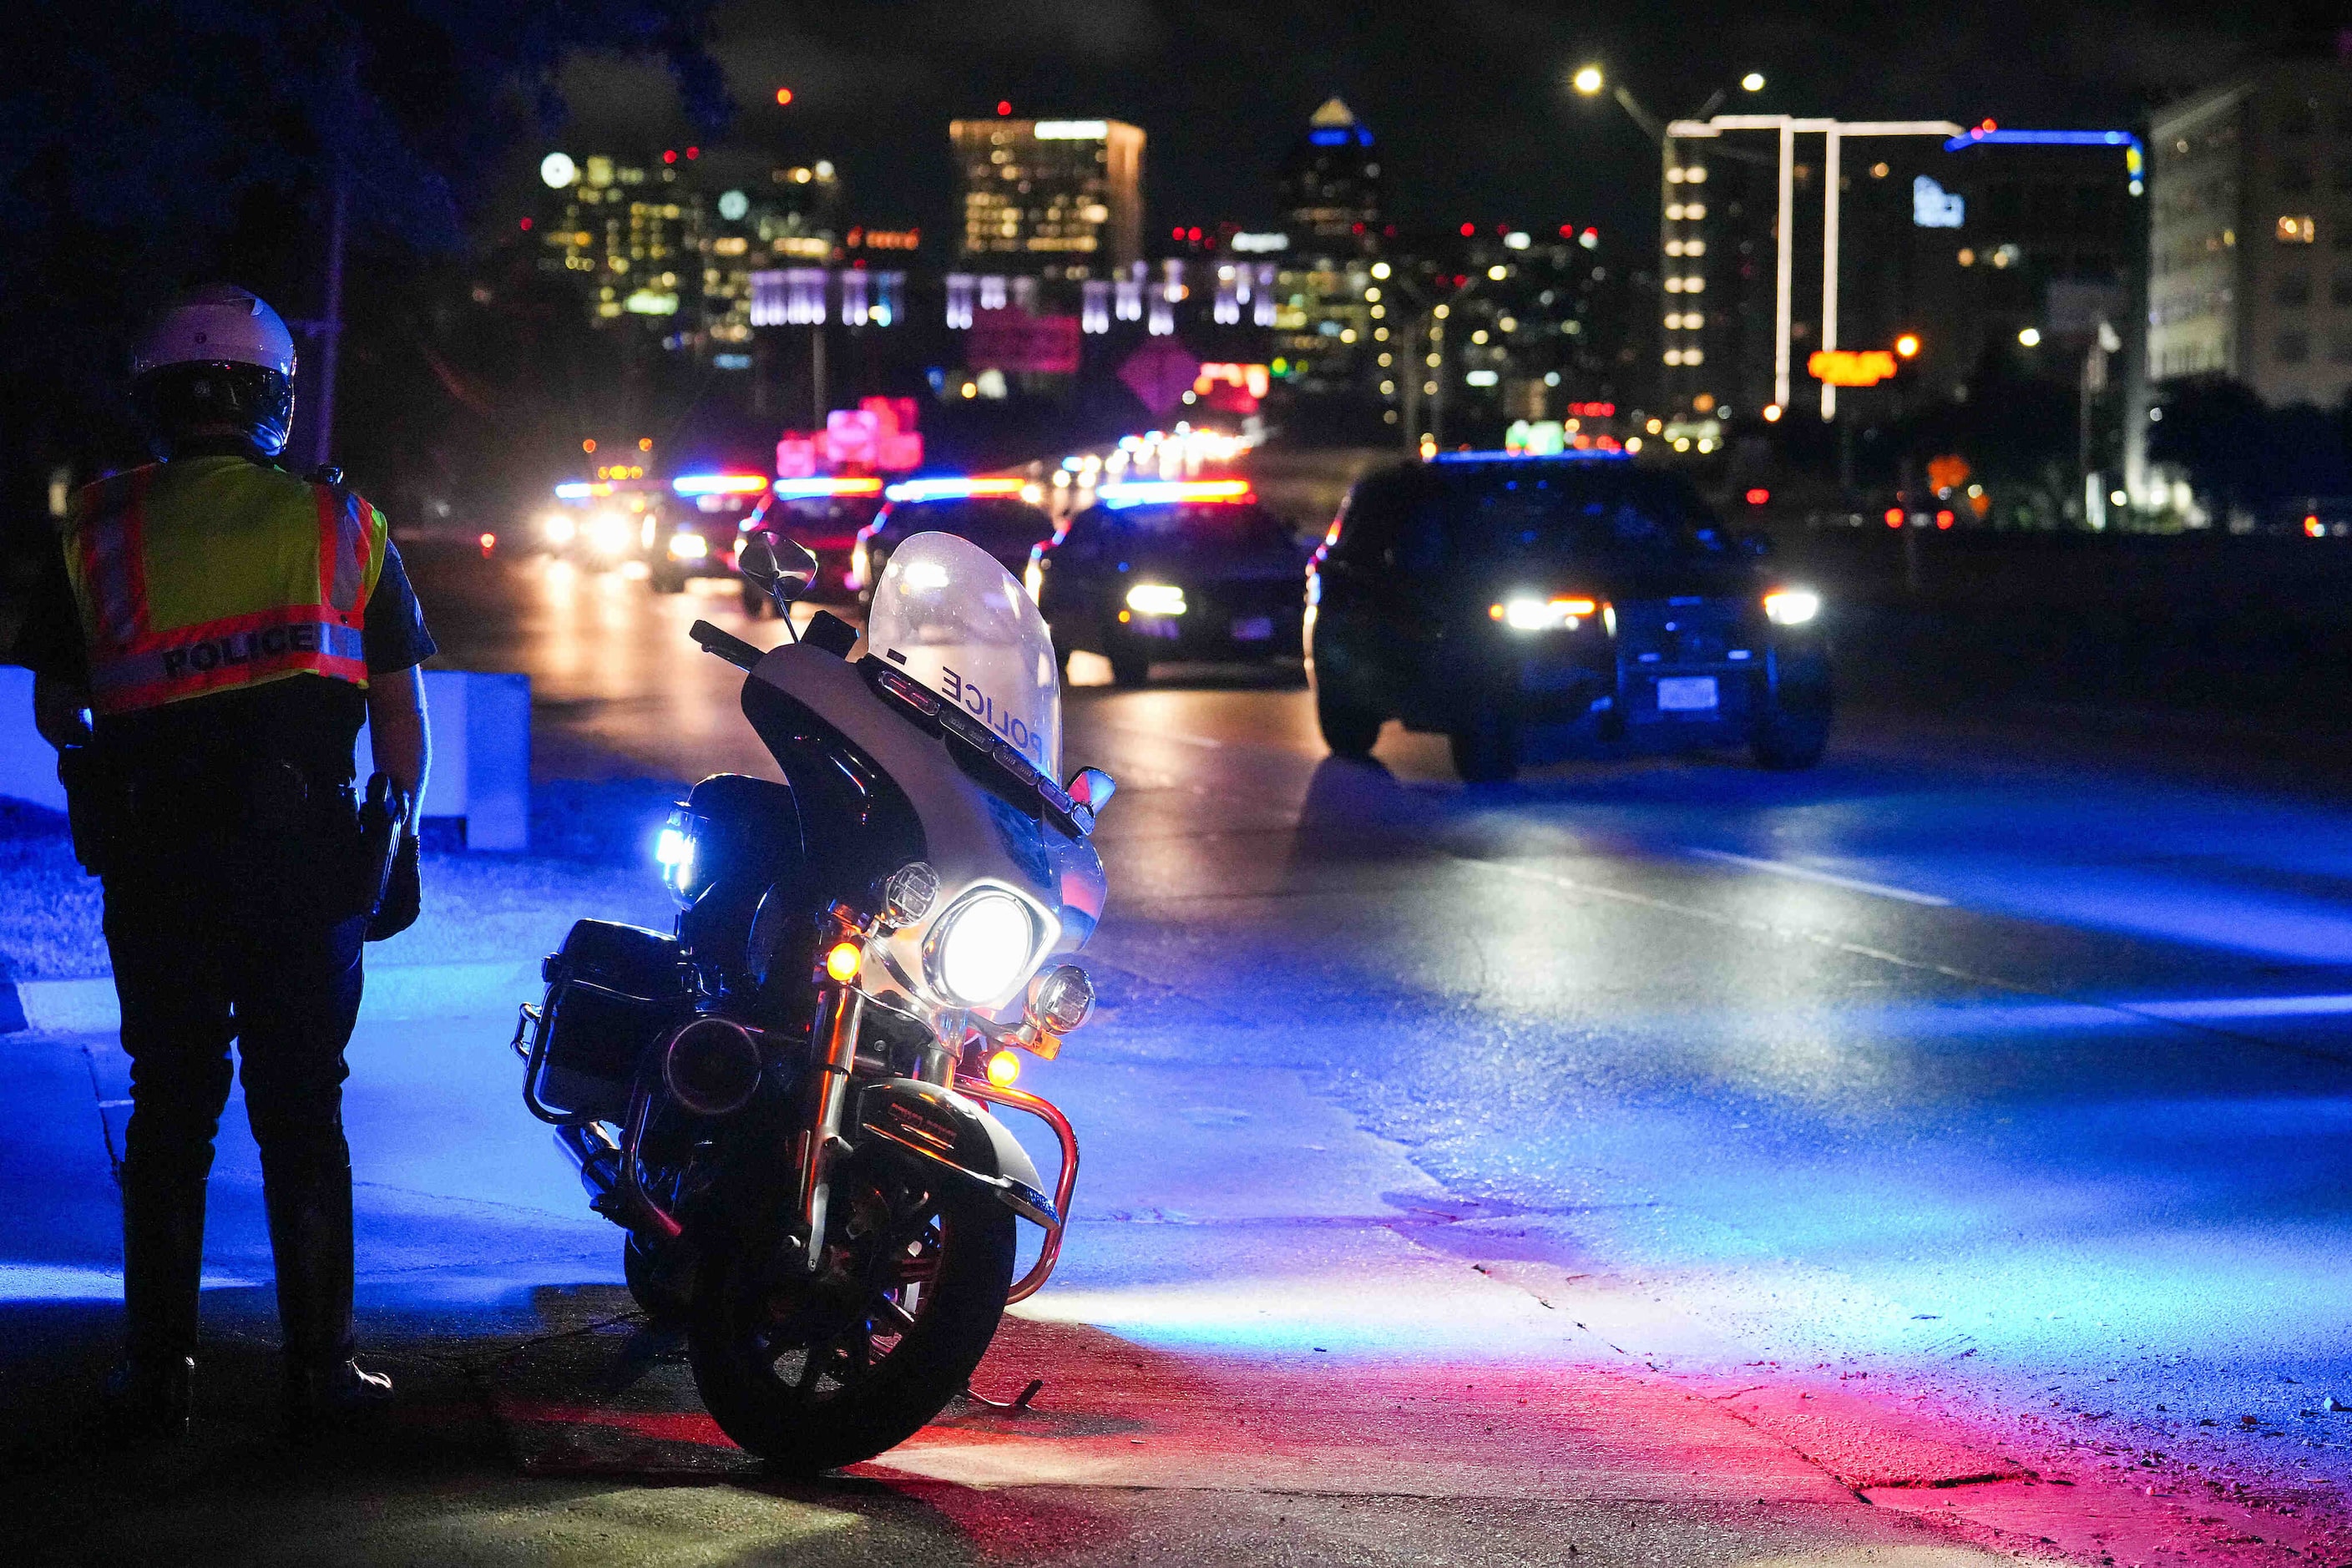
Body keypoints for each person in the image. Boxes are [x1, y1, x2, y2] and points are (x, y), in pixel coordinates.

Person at [16, 284, 437, 1439]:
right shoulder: (342, 526)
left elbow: (58, 708)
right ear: (275, 401)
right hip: (307, 875)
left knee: (169, 1115)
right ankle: (323, 1370)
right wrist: (393, 838)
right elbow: (401, 721)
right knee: (304, 1112)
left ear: (154, 401)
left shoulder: (96, 529)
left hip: (159, 871)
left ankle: (157, 1376)